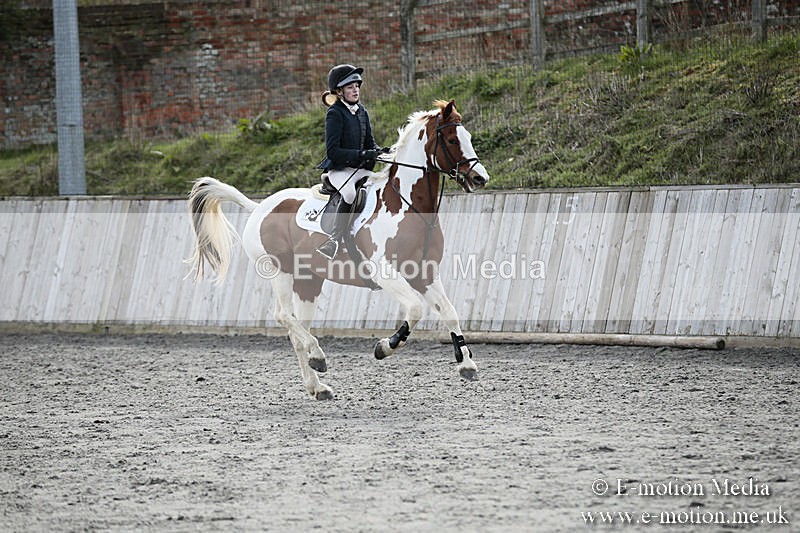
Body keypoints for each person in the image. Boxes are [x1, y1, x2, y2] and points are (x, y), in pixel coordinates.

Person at [316, 64, 387, 260]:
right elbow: (333, 152)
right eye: (350, 87)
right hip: (340, 170)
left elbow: (370, 142)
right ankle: (334, 240)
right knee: (349, 194)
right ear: (339, 92)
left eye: (357, 86)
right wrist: (362, 154)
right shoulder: (335, 113)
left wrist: (379, 151)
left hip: (359, 169)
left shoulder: (362, 111)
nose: (355, 90)